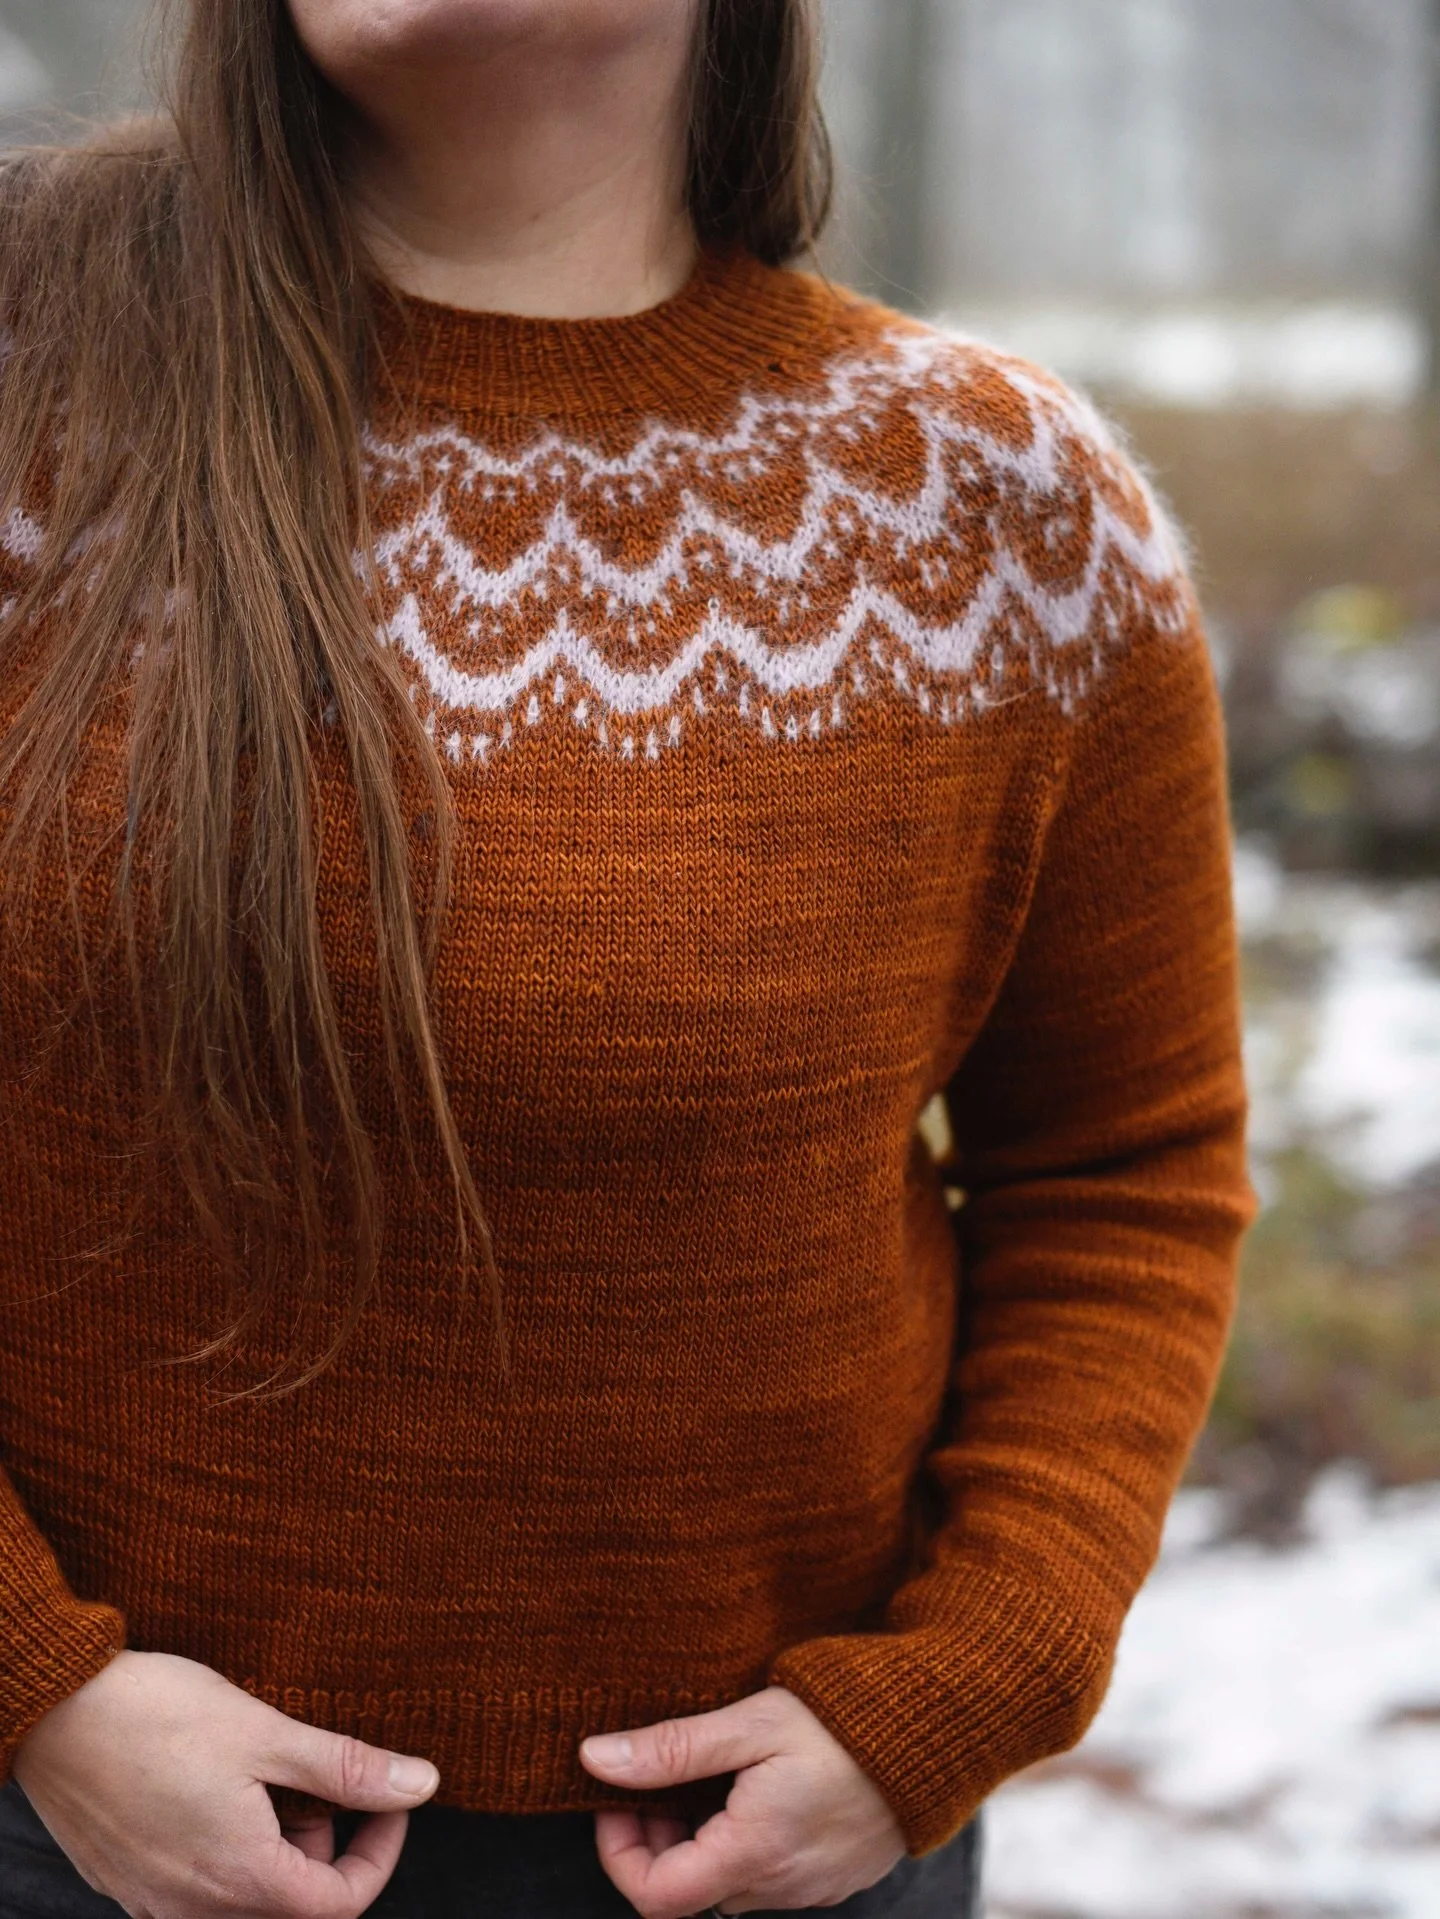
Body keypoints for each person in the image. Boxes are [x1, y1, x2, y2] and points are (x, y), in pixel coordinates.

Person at [0, 0, 1258, 1914]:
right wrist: (33, 1690)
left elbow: (1124, 1165)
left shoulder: (997, 515)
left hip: (772, 1855)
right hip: (60, 1829)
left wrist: (961, 1683)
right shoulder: (34, 399)